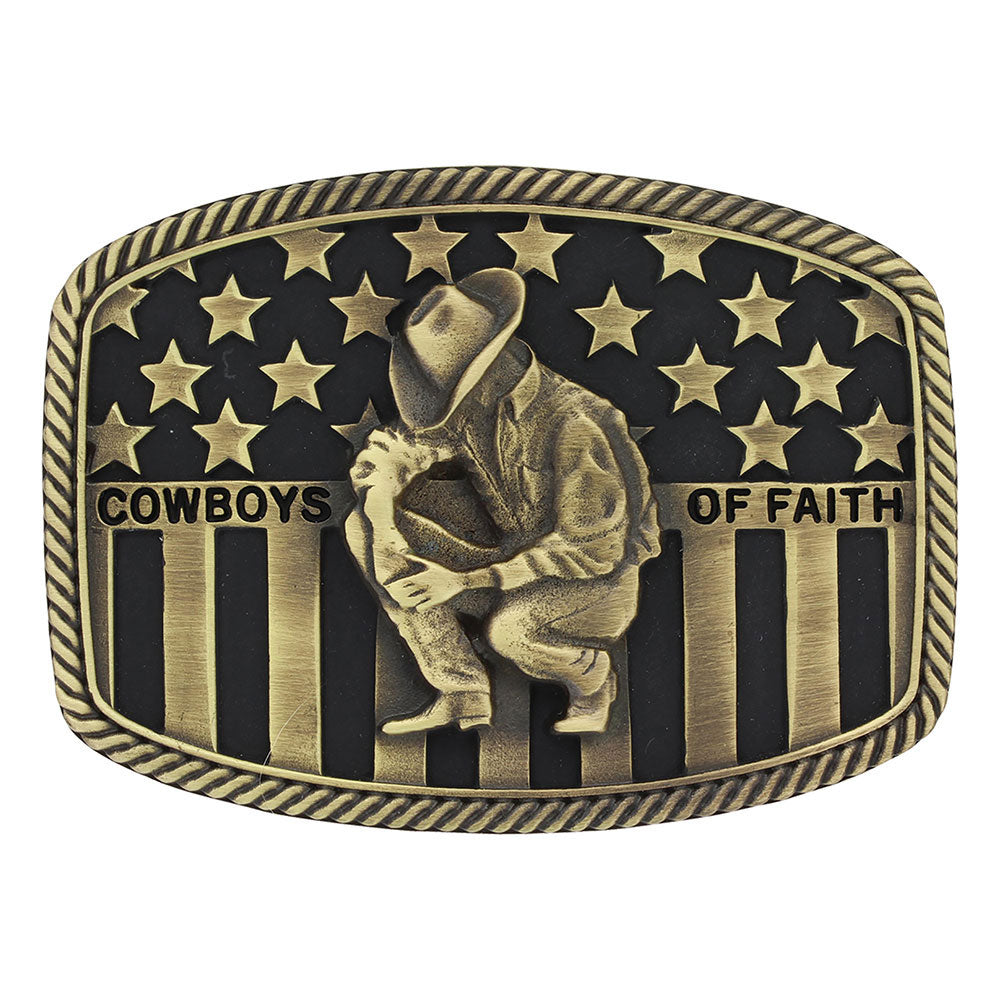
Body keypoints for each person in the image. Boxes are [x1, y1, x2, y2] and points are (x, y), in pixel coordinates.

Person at [343, 268, 660, 735]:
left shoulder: (574, 422)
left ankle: (591, 681)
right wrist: (384, 526)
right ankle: (462, 692)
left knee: (510, 632)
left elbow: (596, 550)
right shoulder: (473, 406)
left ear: (494, 364)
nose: (452, 402)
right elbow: (393, 452)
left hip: (596, 582)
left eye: (459, 385)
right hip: (512, 560)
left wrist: (463, 580)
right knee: (361, 527)